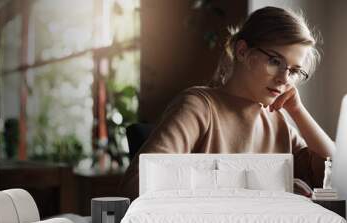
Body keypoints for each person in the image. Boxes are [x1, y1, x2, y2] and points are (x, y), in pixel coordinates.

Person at [119, 6, 335, 201]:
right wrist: (271, 188)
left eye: (294, 71)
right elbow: (137, 185)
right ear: (242, 51)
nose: (284, 79)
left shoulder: (276, 120)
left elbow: (334, 172)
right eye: (275, 61)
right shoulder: (199, 107)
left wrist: (298, 111)